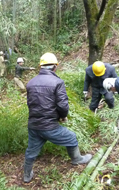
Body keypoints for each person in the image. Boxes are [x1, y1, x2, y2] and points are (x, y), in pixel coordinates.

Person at [24, 52, 92, 183]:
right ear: (55, 67)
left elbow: (30, 103)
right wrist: (63, 117)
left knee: (31, 150)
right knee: (71, 137)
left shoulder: (30, 83)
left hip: (33, 125)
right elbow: (63, 105)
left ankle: (27, 175)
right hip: (49, 126)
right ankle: (76, 159)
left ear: (41, 67)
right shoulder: (57, 82)